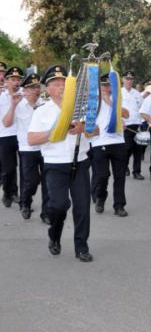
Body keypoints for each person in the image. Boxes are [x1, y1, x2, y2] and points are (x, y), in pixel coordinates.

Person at [28, 65, 98, 262]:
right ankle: (55, 235)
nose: (61, 87)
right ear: (47, 89)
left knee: (82, 207)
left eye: (64, 84)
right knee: (58, 206)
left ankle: (81, 247)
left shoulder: (81, 108)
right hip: (55, 164)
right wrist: (54, 132)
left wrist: (84, 127)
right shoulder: (42, 111)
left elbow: (97, 131)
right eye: (56, 84)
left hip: (80, 162)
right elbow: (32, 139)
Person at [3, 73, 48, 221]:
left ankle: (46, 213)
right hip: (28, 150)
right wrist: (13, 105)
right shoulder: (19, 103)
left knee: (48, 182)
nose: (36, 90)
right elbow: (7, 123)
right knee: (31, 180)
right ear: (25, 90)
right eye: (32, 87)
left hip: (46, 148)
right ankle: (26, 203)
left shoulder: (45, 104)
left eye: (37, 87)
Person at [90, 73, 129, 217]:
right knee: (102, 175)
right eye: (104, 85)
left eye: (109, 85)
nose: (107, 88)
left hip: (118, 142)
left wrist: (110, 102)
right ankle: (100, 197)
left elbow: (126, 114)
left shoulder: (117, 99)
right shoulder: (92, 101)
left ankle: (119, 205)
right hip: (99, 142)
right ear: (99, 86)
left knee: (120, 176)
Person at [0, 66, 24, 207]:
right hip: (5, 135)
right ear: (7, 81)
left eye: (18, 79)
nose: (16, 82)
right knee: (8, 168)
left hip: (21, 135)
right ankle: (7, 192)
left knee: (24, 169)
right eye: (13, 79)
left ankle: (16, 194)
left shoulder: (24, 94)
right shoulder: (2, 97)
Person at [121, 70, 145, 180]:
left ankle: (137, 171)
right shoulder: (118, 93)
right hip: (125, 126)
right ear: (123, 80)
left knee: (138, 150)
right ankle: (124, 167)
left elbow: (141, 108)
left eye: (131, 79)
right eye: (127, 79)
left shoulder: (137, 94)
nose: (129, 81)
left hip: (136, 124)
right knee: (126, 149)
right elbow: (115, 110)